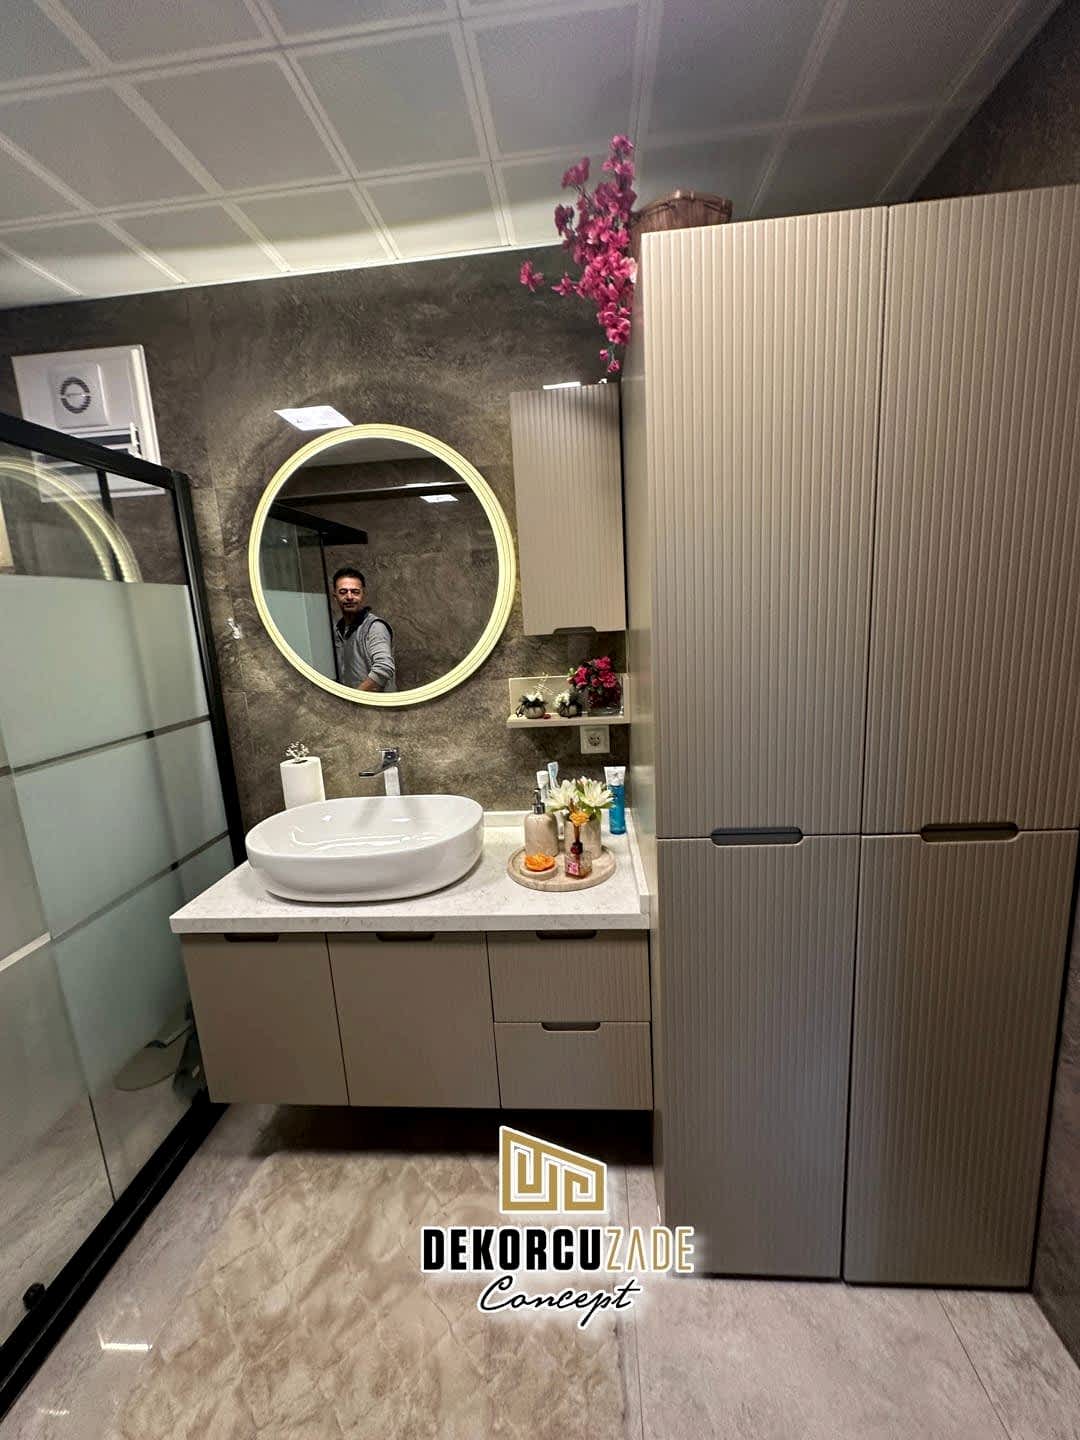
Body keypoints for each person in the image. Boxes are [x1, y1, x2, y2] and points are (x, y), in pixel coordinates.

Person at [331, 566, 396, 692]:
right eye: (343, 592)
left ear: (363, 594)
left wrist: (353, 698)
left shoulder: (375, 627)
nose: (349, 597)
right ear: (335, 596)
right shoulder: (338, 630)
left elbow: (384, 668)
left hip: (376, 704)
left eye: (355, 592)